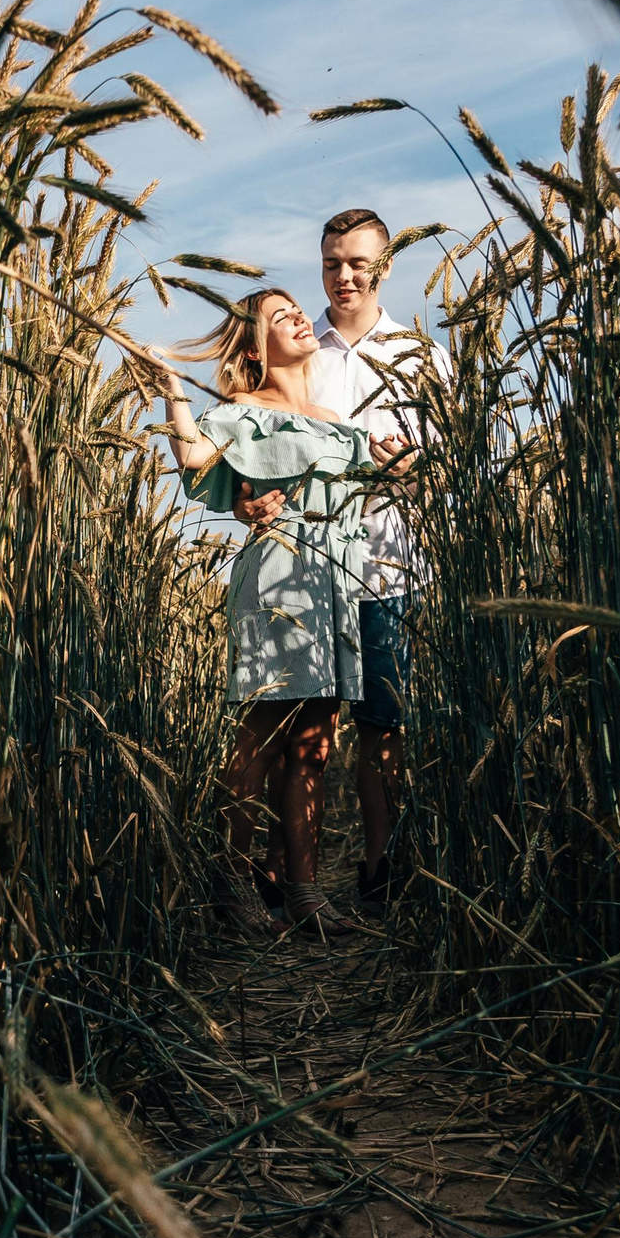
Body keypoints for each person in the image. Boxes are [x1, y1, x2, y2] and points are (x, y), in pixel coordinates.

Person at [235, 208, 448, 906]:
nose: (344, 275)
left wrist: (414, 471)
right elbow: (254, 452)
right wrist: (250, 502)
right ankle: (277, 877)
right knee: (303, 733)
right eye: (332, 263)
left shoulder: (422, 357)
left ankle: (379, 872)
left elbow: (448, 470)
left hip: (390, 567)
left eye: (358, 262)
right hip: (307, 575)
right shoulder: (299, 348)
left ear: (385, 265)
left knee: (383, 729)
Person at [158, 289, 376, 937]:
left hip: (335, 577)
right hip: (281, 569)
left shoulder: (333, 414)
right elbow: (194, 456)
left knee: (313, 744)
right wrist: (171, 383)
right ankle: (234, 882)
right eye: (278, 317)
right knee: (260, 734)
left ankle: (304, 893)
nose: (298, 317)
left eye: (295, 309)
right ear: (255, 347)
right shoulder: (245, 410)